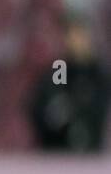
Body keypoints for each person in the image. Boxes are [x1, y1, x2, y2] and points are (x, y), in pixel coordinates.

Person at [29, 13, 109, 153]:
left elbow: (98, 110)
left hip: (92, 156)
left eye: (79, 34)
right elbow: (50, 102)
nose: (74, 40)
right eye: (70, 35)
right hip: (58, 154)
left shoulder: (98, 74)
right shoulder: (60, 68)